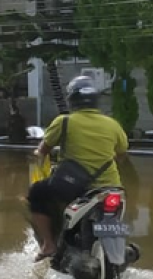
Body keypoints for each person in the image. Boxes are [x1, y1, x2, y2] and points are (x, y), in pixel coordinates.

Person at [27, 74, 129, 261]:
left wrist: (38, 155)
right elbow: (122, 155)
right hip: (112, 187)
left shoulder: (64, 121)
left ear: (72, 99)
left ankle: (48, 245)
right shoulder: (113, 124)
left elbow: (43, 150)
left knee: (37, 192)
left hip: (74, 187)